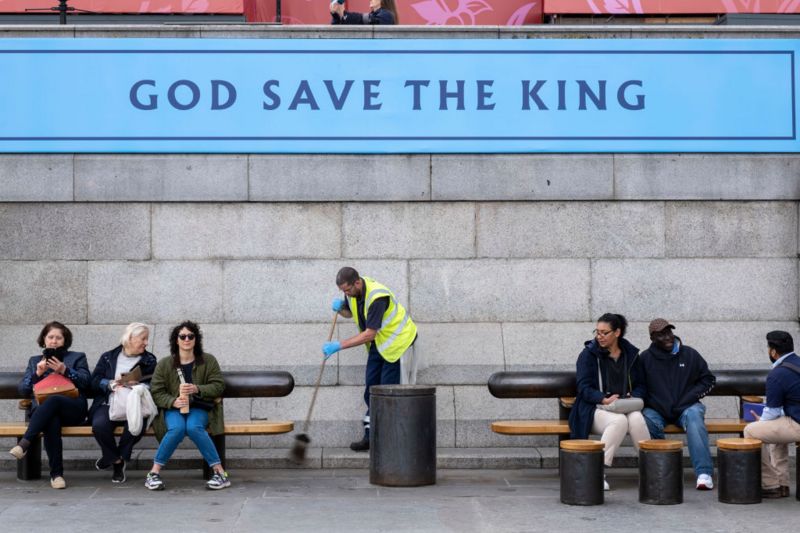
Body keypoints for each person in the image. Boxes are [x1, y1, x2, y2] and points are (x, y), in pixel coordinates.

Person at [323, 266, 418, 452]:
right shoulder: (354, 292)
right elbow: (351, 313)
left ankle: (386, 441)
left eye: (348, 290)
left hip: (397, 343)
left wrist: (339, 346)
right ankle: (370, 437)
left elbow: (369, 334)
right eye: (343, 292)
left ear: (357, 282)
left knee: (386, 393)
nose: (347, 294)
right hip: (380, 343)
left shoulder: (377, 297)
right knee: (371, 390)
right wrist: (341, 309)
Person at [144, 321, 230, 491]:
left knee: (193, 427)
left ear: (196, 340)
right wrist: (172, 401)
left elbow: (219, 386)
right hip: (174, 408)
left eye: (191, 336)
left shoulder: (208, 360)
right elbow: (156, 391)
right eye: (182, 336)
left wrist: (198, 388)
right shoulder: (165, 364)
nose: (186, 339)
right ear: (176, 340)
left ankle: (220, 473)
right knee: (176, 429)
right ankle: (153, 473)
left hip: (200, 407)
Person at [568, 313, 649, 491]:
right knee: (618, 421)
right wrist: (602, 398)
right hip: (592, 409)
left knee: (636, 417)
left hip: (623, 406)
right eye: (597, 332)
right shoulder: (588, 355)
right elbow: (583, 387)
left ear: (617, 332)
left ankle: (651, 470)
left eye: (604, 333)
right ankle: (596, 472)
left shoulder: (631, 355)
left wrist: (632, 396)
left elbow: (641, 384)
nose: (599, 336)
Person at [9, 321, 91, 489]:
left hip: (73, 409)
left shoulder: (77, 357)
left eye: (58, 338)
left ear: (65, 340)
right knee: (51, 419)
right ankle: (57, 475)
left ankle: (25, 442)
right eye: (51, 337)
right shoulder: (35, 361)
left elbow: (87, 383)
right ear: (44, 340)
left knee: (53, 400)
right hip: (45, 414)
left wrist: (65, 370)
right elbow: (24, 390)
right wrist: (37, 373)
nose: (54, 341)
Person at [639, 318, 716, 490]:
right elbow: (639, 387)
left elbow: (708, 380)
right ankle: (663, 469)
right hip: (657, 409)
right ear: (652, 338)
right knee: (646, 418)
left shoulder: (689, 354)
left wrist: (689, 397)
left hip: (687, 406)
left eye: (669, 332)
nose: (667, 337)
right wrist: (652, 403)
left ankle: (704, 474)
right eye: (661, 335)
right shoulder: (645, 358)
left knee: (695, 416)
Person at [89, 322, 158, 484]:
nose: (146, 343)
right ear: (130, 338)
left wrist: (140, 386)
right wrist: (111, 383)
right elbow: (94, 381)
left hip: (136, 404)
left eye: (147, 339)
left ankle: (113, 458)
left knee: (136, 426)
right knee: (99, 425)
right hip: (109, 402)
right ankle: (117, 461)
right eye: (143, 339)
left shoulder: (149, 359)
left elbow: (155, 384)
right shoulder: (108, 357)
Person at [743, 331, 800, 498]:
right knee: (776, 428)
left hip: (797, 423)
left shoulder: (777, 374)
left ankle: (770, 484)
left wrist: (762, 421)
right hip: (794, 417)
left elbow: (773, 410)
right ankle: (782, 484)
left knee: (751, 430)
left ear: (773, 352)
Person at [330, 0, 398, 24]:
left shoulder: (387, 15)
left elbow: (362, 20)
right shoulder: (374, 15)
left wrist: (344, 15)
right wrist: (336, 15)